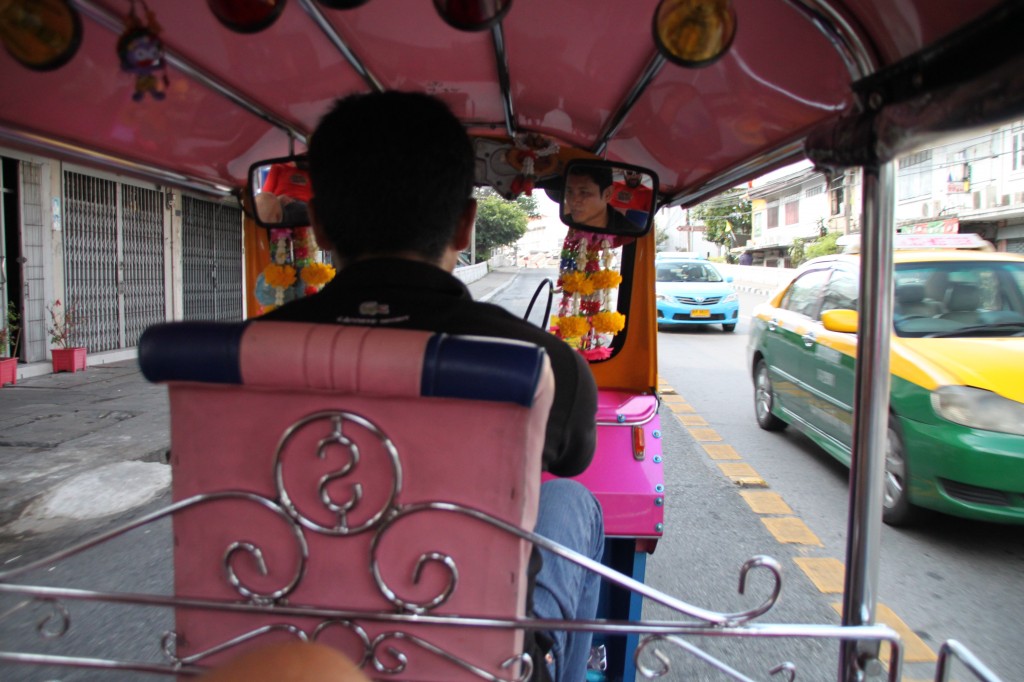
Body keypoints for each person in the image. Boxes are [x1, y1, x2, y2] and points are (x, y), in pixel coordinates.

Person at [261, 91, 604, 682]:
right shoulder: (544, 365)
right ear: (466, 224)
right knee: (573, 502)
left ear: (316, 225)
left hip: (289, 652)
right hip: (477, 661)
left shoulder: (242, 358)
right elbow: (573, 459)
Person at [564, 164, 639, 233]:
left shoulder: (630, 233)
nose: (573, 201)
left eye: (584, 193)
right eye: (569, 191)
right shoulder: (566, 222)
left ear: (607, 194)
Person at [254, 160, 312, 226]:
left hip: (306, 209)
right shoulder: (278, 165)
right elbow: (265, 196)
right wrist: (277, 200)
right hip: (281, 208)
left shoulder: (314, 172)